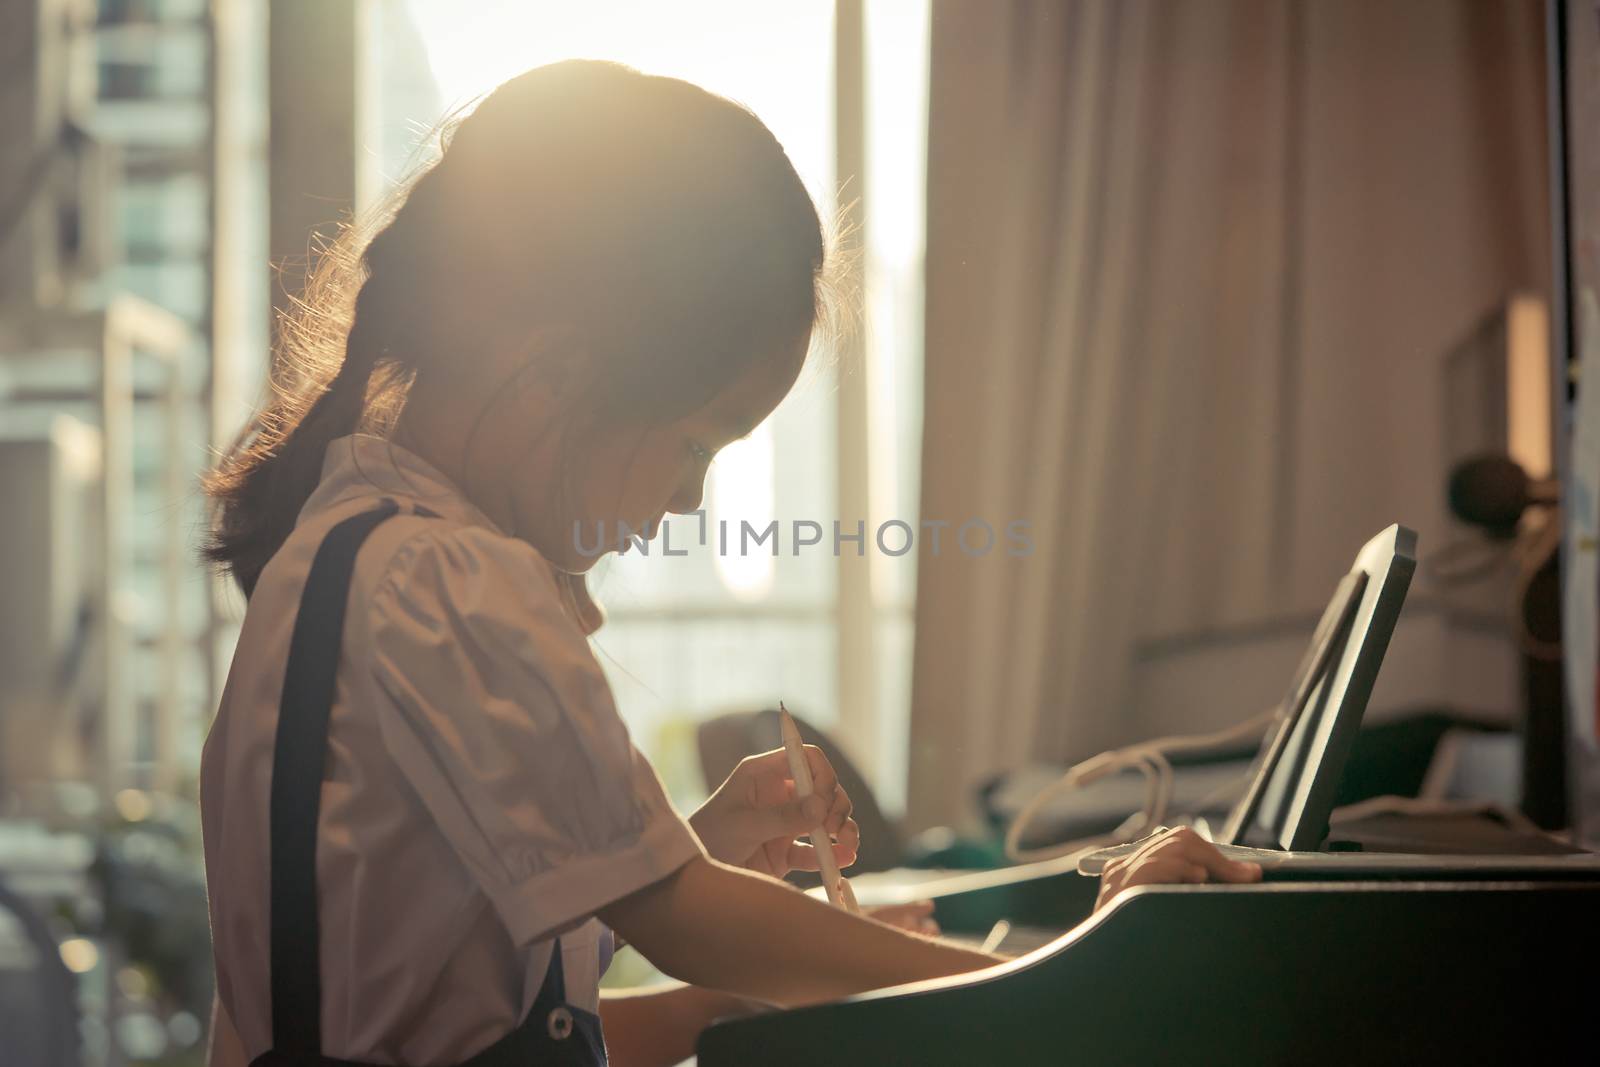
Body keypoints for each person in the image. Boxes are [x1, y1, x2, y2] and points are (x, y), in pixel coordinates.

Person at [199, 60, 1260, 1067]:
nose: (691, 496)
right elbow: (689, 920)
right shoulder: (454, 578)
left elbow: (448, 963)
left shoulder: (357, 540)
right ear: (563, 370)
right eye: (699, 440)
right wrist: (1052, 979)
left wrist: (692, 847)